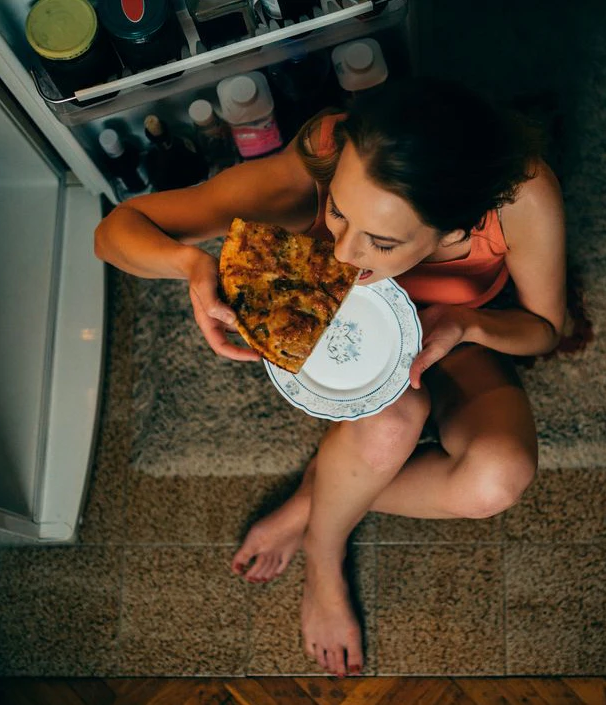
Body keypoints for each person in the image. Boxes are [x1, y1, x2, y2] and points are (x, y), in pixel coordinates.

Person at [93, 78, 567, 678]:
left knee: (497, 481)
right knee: (392, 423)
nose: (344, 253)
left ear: (455, 230)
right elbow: (114, 233)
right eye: (339, 213)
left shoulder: (519, 195)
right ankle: (325, 553)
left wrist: (468, 324)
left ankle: (321, 497)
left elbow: (546, 328)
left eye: (383, 241)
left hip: (453, 336)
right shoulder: (324, 152)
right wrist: (190, 263)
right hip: (333, 342)